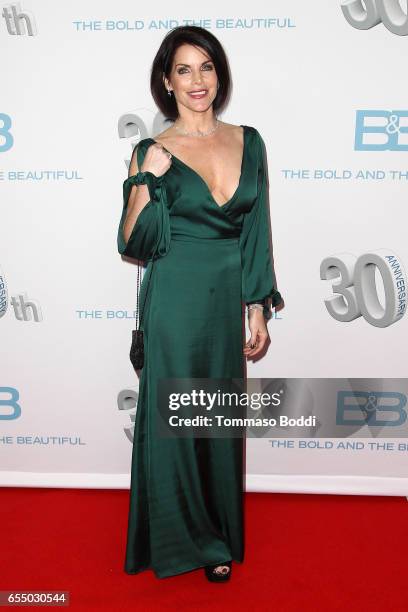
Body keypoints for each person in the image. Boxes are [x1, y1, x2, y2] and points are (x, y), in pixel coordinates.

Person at [117, 25, 284, 582]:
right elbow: (131, 242)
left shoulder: (250, 141)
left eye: (206, 66)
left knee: (216, 419)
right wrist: (145, 178)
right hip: (174, 298)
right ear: (166, 81)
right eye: (183, 69)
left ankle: (215, 534)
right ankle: (182, 540)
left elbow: (256, 230)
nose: (197, 80)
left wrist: (257, 305)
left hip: (223, 300)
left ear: (219, 74)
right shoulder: (154, 149)